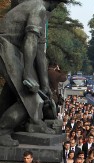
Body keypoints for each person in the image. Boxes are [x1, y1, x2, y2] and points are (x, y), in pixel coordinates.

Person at [0, 0, 68, 146]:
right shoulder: (39, 8)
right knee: (30, 96)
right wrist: (27, 72)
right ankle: (3, 131)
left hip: (13, 49)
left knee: (17, 92)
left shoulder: (42, 12)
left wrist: (45, 85)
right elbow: (30, 40)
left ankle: (34, 123)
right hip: (5, 44)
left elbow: (40, 53)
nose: (59, 5)